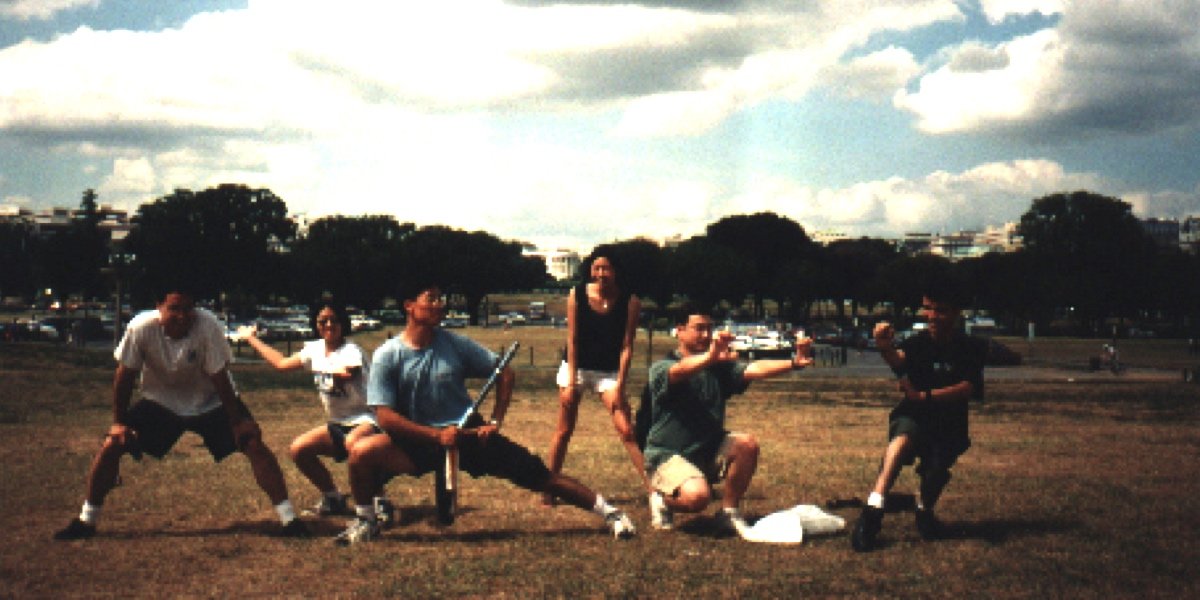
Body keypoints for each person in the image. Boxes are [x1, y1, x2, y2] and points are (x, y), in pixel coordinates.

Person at [334, 278, 637, 545]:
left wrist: (495, 421)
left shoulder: (454, 343)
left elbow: (505, 373)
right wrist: (436, 437)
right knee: (361, 452)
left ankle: (611, 514)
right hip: (421, 440)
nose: (440, 305)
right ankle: (366, 521)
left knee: (540, 476)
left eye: (442, 298)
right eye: (432, 298)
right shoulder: (389, 355)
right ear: (409, 306)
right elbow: (385, 416)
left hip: (469, 434)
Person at [53, 286, 309, 540]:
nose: (182, 316)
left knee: (253, 443)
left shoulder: (207, 325)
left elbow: (219, 377)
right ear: (159, 307)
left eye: (188, 308)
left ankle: (289, 520)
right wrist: (119, 423)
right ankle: (87, 521)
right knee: (111, 445)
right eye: (174, 308)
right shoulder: (140, 328)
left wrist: (237, 422)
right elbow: (124, 375)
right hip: (160, 402)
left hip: (210, 401)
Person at [639, 303, 813, 533]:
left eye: (709, 328)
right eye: (699, 328)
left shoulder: (717, 368)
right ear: (679, 330)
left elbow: (754, 369)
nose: (705, 334)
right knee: (698, 498)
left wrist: (793, 363)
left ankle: (728, 513)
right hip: (667, 456)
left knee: (746, 444)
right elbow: (680, 371)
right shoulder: (662, 368)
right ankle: (662, 500)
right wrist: (710, 357)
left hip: (705, 452)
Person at [850, 281, 987, 552]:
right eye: (927, 309)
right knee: (900, 441)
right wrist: (885, 347)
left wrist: (925, 396)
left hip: (949, 421)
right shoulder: (918, 343)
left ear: (957, 313)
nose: (932, 316)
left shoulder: (970, 347)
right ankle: (873, 510)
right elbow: (900, 361)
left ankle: (925, 512)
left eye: (941, 310)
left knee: (936, 471)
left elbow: (968, 388)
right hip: (915, 414)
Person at [239, 301, 391, 520]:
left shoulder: (351, 351)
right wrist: (251, 338)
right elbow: (281, 364)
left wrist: (337, 374)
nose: (329, 325)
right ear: (316, 324)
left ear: (343, 324)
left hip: (367, 418)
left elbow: (348, 373)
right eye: (323, 321)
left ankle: (380, 500)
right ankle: (333, 498)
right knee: (299, 449)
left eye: (334, 320)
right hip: (339, 421)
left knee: (354, 445)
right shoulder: (314, 349)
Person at [543, 250, 645, 505]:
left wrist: (620, 387)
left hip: (608, 372)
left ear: (616, 272)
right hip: (576, 367)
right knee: (564, 430)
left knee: (626, 430)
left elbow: (627, 346)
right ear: (590, 271)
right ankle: (548, 487)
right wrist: (570, 382)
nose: (601, 274)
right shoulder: (577, 295)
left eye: (606, 269)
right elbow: (573, 339)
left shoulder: (630, 300)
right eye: (596, 268)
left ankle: (656, 490)